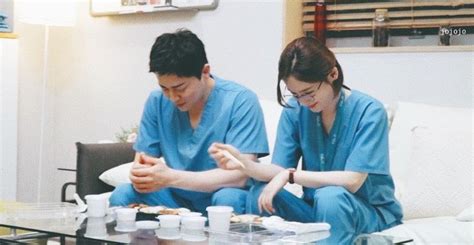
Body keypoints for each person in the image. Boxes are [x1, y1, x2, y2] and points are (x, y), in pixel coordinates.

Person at [209, 36, 403, 243]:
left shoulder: (369, 112)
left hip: (367, 212)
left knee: (331, 197)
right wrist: (245, 164)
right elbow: (278, 170)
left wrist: (290, 176)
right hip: (317, 210)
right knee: (260, 192)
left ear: (333, 74)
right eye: (295, 94)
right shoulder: (295, 109)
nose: (303, 101)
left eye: (308, 92)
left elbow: (353, 181)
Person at [109, 29, 269, 215]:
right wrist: (142, 175)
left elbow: (240, 175)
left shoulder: (240, 101)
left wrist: (171, 177)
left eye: (180, 88)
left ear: (205, 72)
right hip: (174, 198)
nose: (172, 97)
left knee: (228, 199)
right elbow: (144, 162)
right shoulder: (157, 102)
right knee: (123, 194)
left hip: (222, 195)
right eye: (164, 88)